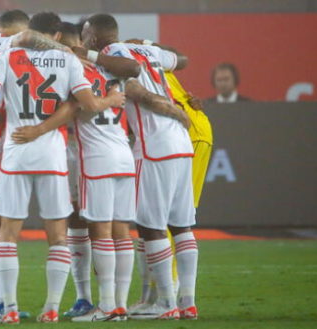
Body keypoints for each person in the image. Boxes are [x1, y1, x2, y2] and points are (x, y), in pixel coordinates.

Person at [0, 12, 125, 324]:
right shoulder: (69, 61)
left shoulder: (9, 54)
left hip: (15, 152)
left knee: (7, 233)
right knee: (57, 235)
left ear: (29, 33)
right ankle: (50, 308)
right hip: (52, 156)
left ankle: (8, 310)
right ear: (58, 36)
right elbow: (82, 104)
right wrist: (112, 98)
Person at [98, 16, 199, 320]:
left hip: (155, 145)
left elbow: (139, 93)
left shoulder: (113, 58)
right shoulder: (148, 52)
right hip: (181, 143)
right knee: (181, 225)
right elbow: (182, 59)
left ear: (94, 38)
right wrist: (150, 44)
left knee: (150, 225)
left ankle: (166, 303)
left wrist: (170, 109)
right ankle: (187, 301)